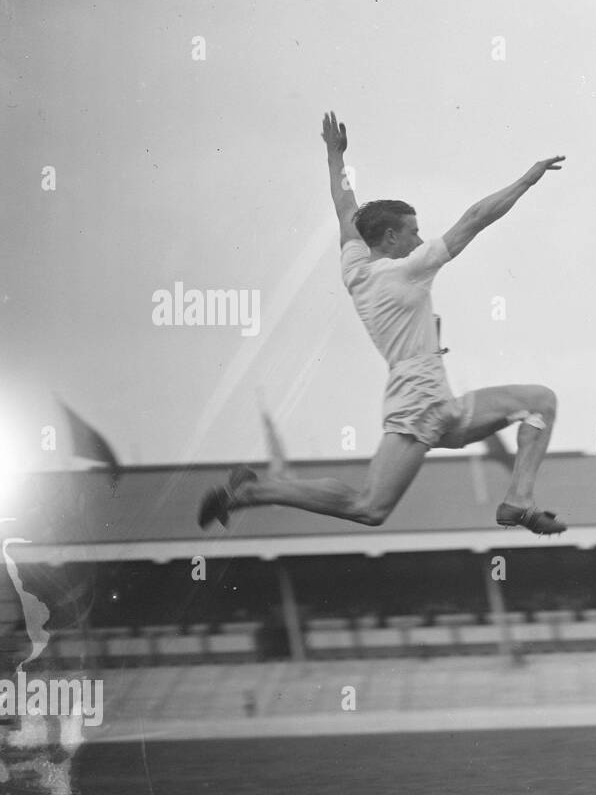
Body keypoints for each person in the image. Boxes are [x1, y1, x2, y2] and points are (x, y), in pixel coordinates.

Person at [198, 111, 567, 536]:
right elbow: (475, 219)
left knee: (540, 402)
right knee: (369, 507)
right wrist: (526, 180)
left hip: (430, 398)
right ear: (390, 238)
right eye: (412, 231)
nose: (419, 239)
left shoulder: (355, 266)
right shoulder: (407, 270)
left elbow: (345, 209)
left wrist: (335, 156)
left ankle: (518, 501)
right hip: (422, 401)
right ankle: (251, 494)